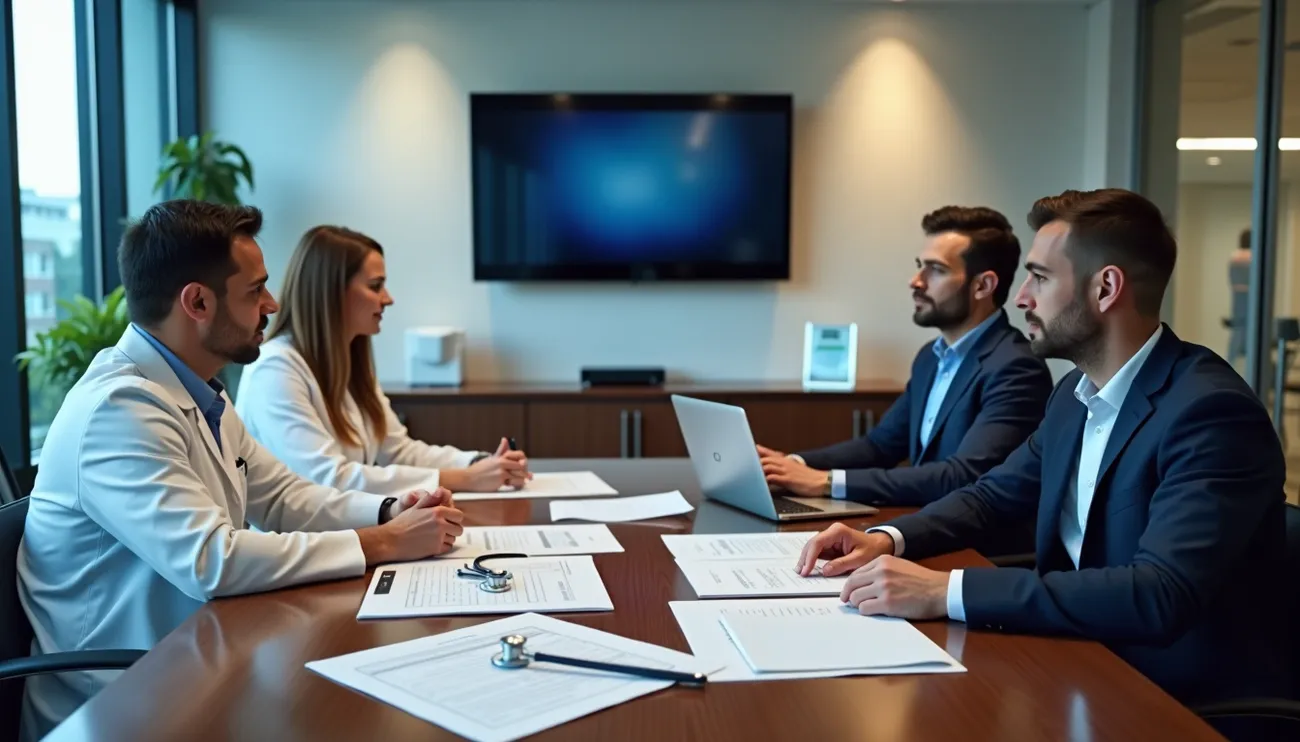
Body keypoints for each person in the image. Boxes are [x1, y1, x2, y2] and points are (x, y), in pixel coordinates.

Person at [795, 188, 1289, 707]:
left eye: (1040, 277)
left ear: (1106, 289)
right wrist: (888, 538)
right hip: (1080, 660)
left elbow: (1158, 594)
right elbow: (991, 496)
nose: (1022, 297)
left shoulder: (1209, 412)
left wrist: (944, 590)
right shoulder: (1073, 398)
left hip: (1175, 698)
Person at [17, 201, 465, 737]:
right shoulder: (118, 409)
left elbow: (282, 496)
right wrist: (384, 543)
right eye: (255, 291)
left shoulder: (197, 392)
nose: (272, 304)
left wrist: (391, 509)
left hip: (193, 665)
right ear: (198, 302)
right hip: (117, 707)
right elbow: (213, 559)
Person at [758, 206, 1052, 507]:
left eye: (935, 269)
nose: (916, 281)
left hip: (981, 548)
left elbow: (964, 477)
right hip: (924, 524)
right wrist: (788, 464)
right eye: (919, 266)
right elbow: (879, 446)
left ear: (982, 286)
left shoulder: (1017, 367)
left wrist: (826, 481)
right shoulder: (930, 357)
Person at [235, 225, 532, 495]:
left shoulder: (347, 361)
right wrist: (464, 479)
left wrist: (480, 463)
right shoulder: (275, 370)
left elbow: (398, 451)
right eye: (376, 286)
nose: (387, 298)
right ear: (332, 293)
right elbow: (327, 479)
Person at [1226, 228, 1251, 366]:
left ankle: (1231, 361)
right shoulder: (1253, 256)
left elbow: (1231, 277)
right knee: (1249, 330)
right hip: (1250, 298)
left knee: (1237, 330)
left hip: (1237, 296)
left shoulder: (1234, 257)